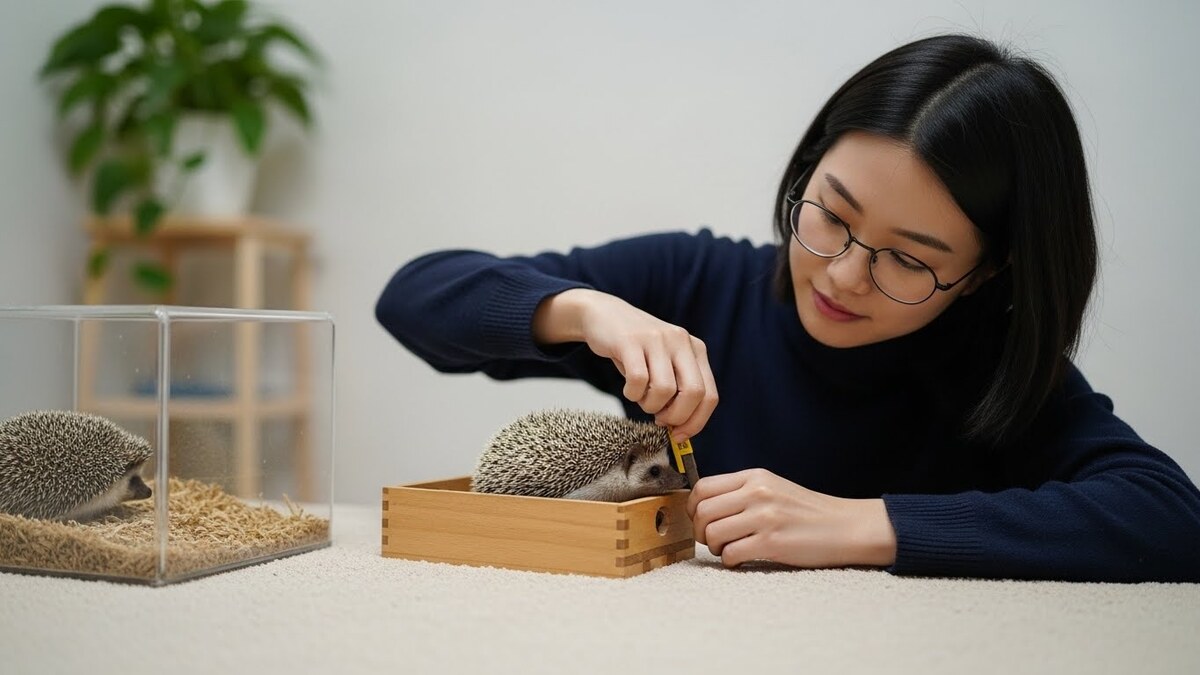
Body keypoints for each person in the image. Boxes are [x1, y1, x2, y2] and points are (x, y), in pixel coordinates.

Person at [375, 34, 1200, 582]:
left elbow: (1171, 518)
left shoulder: (995, 367)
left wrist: (864, 526)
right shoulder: (699, 282)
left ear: (987, 274)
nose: (842, 276)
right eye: (830, 216)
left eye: (909, 259)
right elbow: (413, 296)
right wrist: (588, 310)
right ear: (806, 172)